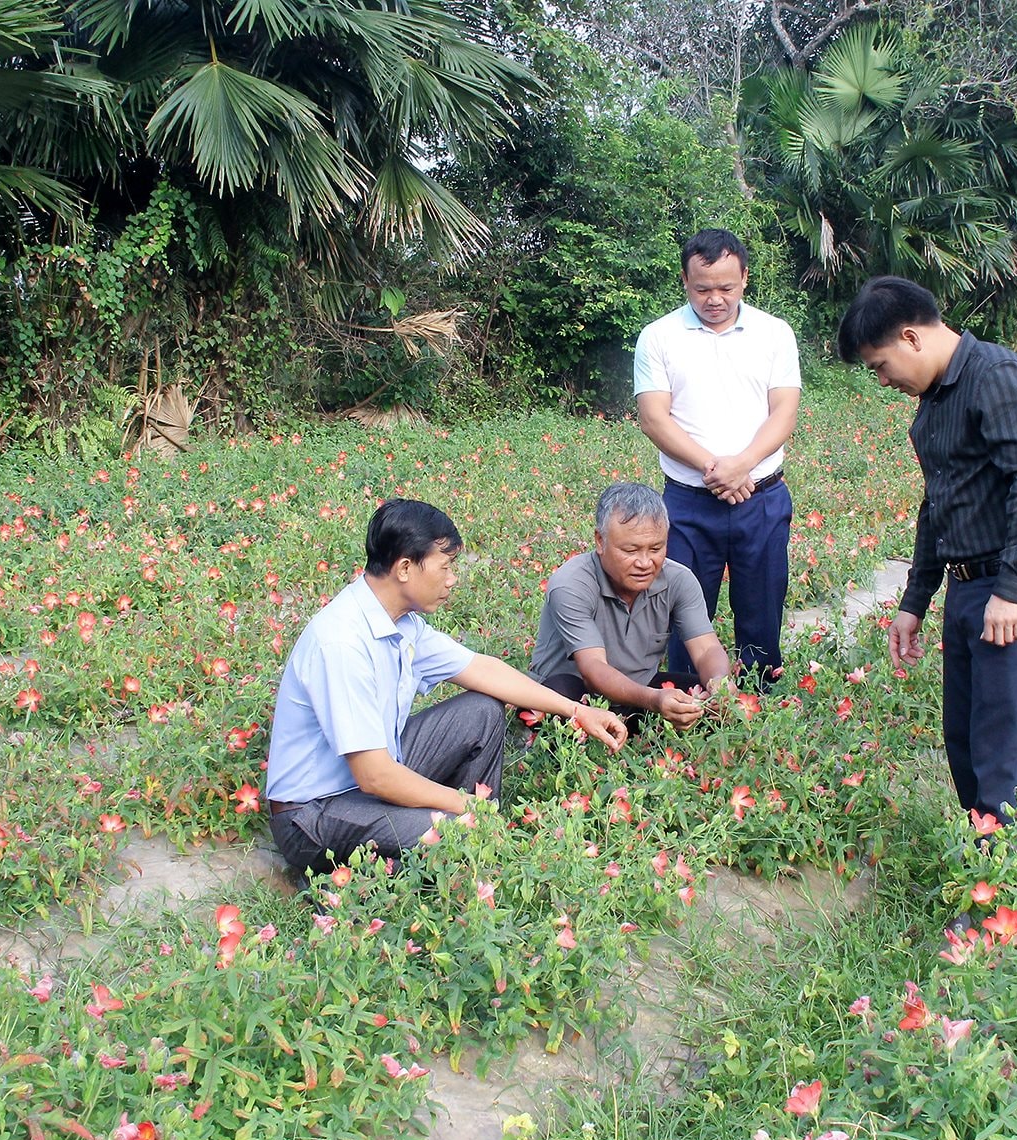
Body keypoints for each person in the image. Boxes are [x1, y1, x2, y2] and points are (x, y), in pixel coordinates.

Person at [264, 499, 628, 882]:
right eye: (446, 567)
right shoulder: (342, 643)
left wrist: (576, 711)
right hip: (312, 814)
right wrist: (462, 805)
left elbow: (482, 670)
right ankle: (410, 856)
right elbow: (375, 776)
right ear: (405, 567)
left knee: (483, 710)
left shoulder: (400, 622)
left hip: (368, 780)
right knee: (454, 833)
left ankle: (458, 836)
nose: (452, 579)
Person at [836, 276, 1017, 834]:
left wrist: (1012, 590)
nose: (883, 379)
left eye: (880, 365)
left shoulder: (997, 377)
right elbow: (937, 505)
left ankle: (999, 888)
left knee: (1000, 742)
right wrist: (915, 600)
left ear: (911, 338)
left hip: (1016, 584)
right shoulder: (933, 403)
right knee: (963, 733)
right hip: (970, 585)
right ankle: (983, 851)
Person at [634, 228, 801, 682]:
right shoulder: (658, 337)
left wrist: (743, 463)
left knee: (763, 602)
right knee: (686, 606)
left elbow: (784, 411)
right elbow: (654, 418)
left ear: (745, 278)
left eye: (726, 287)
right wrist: (717, 468)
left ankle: (757, 695)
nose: (714, 298)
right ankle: (687, 697)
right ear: (685, 282)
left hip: (761, 496)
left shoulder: (774, 333)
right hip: (689, 501)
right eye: (702, 288)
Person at [530, 483, 734, 728]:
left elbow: (706, 649)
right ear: (600, 541)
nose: (645, 562)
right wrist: (655, 700)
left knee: (706, 702)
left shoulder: (679, 580)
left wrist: (719, 684)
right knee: (561, 696)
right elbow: (593, 669)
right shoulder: (571, 583)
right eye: (631, 550)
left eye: (656, 548)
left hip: (640, 693)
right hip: (578, 693)